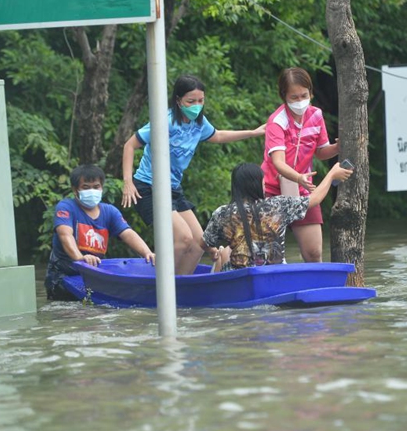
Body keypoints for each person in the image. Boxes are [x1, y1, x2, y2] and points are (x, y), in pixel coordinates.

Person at [121, 75, 265, 275]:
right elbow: (130, 145)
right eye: (191, 101)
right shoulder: (165, 121)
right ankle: (163, 289)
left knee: (201, 243)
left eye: (200, 101)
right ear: (179, 100)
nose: (196, 105)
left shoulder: (199, 123)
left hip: (173, 188)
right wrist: (127, 182)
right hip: (148, 187)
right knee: (184, 238)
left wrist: (252, 132)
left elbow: (218, 135)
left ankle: (181, 289)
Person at [201, 162, 352, 271]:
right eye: (263, 182)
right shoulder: (278, 205)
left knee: (224, 251)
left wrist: (213, 252)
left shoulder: (222, 213)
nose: (265, 186)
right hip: (275, 274)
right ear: (256, 185)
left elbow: (204, 243)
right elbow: (315, 199)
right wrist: (331, 174)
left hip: (239, 279)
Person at [261, 67, 340, 263]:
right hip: (272, 190)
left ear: (311, 93)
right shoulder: (277, 122)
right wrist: (298, 178)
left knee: (314, 253)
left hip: (303, 188)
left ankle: (315, 289)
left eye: (304, 95)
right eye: (294, 97)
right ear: (284, 96)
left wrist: (339, 147)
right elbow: (278, 162)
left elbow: (321, 152)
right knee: (270, 256)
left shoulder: (316, 115)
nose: (300, 101)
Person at [45, 164, 155, 301]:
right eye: (86, 187)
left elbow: (128, 233)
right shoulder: (66, 207)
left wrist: (148, 253)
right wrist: (80, 259)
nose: (92, 190)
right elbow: (65, 235)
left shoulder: (110, 211)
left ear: (101, 188)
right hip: (63, 277)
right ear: (75, 190)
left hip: (94, 275)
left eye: (96, 187)